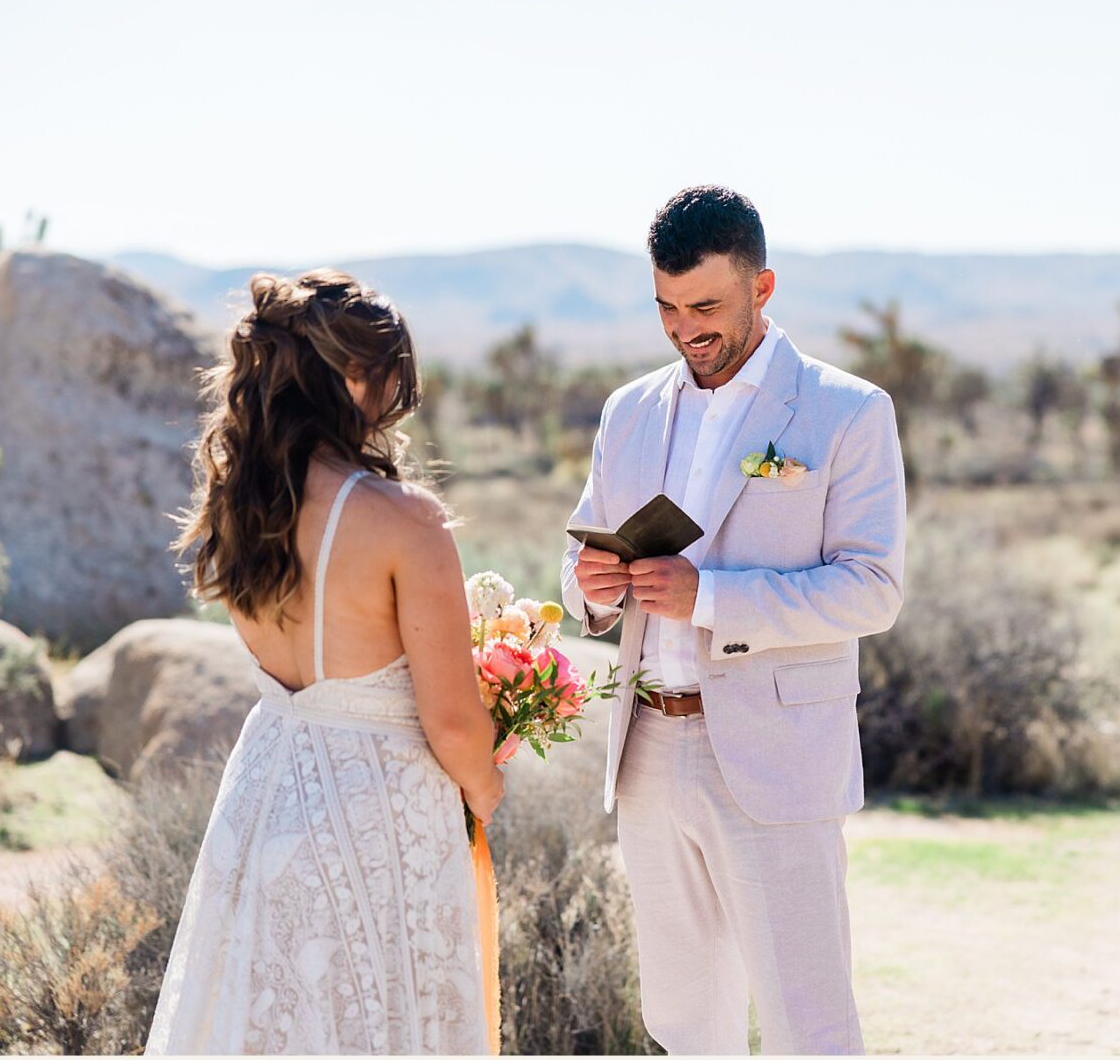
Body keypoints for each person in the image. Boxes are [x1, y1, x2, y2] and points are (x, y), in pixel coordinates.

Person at [560, 185, 907, 1054]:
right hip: (645, 750)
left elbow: (871, 588)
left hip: (774, 752)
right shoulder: (629, 411)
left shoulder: (848, 411)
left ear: (764, 287)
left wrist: (709, 597)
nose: (685, 329)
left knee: (807, 1019)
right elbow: (577, 573)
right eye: (667, 308)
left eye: (707, 305)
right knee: (680, 1017)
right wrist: (593, 584)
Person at [147, 269, 502, 1054]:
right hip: (375, 822)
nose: (393, 400)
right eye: (391, 379)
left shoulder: (240, 505)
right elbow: (451, 719)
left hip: (262, 795)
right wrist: (485, 786)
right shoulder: (405, 522)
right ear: (352, 376)